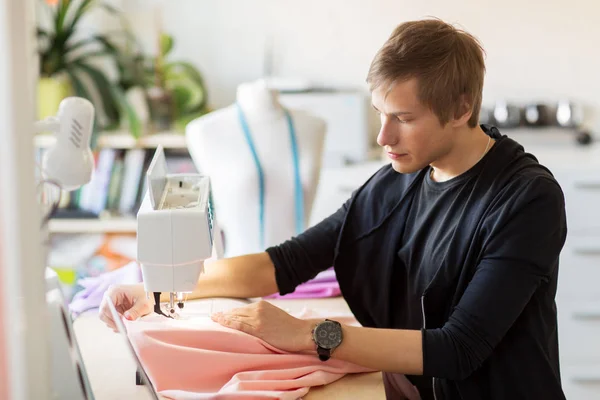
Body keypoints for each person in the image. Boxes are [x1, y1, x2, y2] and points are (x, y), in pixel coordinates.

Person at [100, 18, 567, 400]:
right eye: (380, 114)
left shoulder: (526, 200)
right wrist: (160, 285)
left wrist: (309, 334)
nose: (384, 138)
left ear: (462, 108)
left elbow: (459, 349)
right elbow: (286, 263)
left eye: (403, 119)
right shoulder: (396, 183)